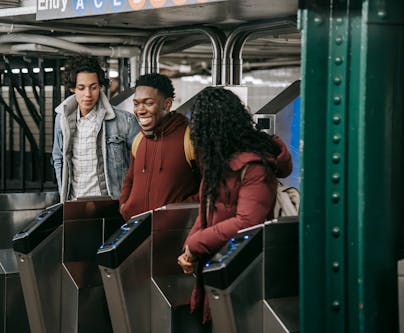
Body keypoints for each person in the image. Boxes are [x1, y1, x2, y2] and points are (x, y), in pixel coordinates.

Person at [177, 86, 293, 324]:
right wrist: (190, 247)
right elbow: (206, 209)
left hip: (245, 271)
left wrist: (197, 244)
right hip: (219, 263)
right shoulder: (218, 160)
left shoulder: (254, 166)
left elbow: (248, 222)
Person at [52, 57, 139, 202]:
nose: (88, 94)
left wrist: (130, 201)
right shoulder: (61, 119)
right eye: (81, 88)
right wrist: (63, 197)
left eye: (93, 87)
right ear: (72, 88)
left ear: (100, 86)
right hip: (75, 204)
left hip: (113, 204)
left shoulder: (125, 120)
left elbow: (141, 164)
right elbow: (58, 158)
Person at [119, 73, 200, 220]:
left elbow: (209, 186)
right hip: (137, 232)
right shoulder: (139, 139)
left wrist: (177, 213)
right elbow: (130, 179)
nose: (140, 110)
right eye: (136, 104)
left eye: (148, 103)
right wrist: (125, 206)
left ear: (167, 104)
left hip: (173, 233)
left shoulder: (189, 137)